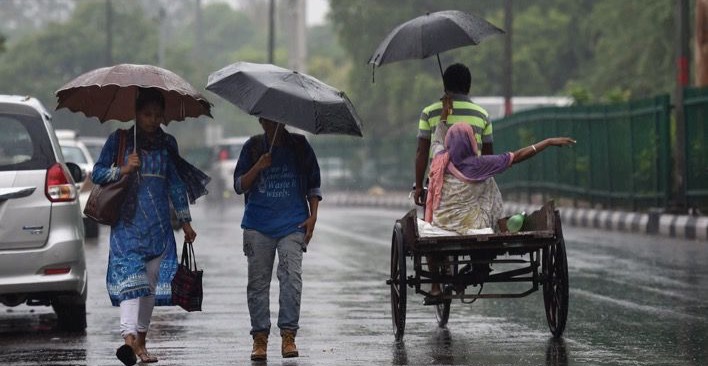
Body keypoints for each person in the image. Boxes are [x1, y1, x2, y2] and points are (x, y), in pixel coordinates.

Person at [91, 87, 209, 366]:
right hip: (127, 227)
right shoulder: (119, 140)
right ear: (136, 114)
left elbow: (176, 184)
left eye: (157, 115)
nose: (152, 119)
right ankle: (128, 340)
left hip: (159, 229)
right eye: (147, 114)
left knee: (150, 288)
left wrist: (186, 221)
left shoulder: (168, 144)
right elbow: (96, 173)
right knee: (133, 284)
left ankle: (140, 342)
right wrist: (122, 169)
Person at [423, 122, 575, 299]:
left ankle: (435, 287)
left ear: (449, 143)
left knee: (485, 182)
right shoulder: (481, 164)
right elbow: (517, 156)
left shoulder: (439, 159)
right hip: (472, 225)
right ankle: (486, 253)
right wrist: (548, 142)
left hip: (443, 223)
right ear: (471, 141)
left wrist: (443, 117)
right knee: (489, 181)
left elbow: (436, 142)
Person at [233, 118, 321, 361]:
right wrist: (258, 166)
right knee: (258, 284)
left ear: (284, 119)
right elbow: (239, 185)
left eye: (277, 119)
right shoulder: (252, 147)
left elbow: (314, 184)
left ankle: (288, 335)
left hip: (293, 225)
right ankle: (259, 339)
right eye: (267, 119)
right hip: (257, 226)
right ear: (261, 120)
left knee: (291, 278)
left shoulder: (300, 146)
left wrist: (313, 217)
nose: (272, 124)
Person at [414, 63, 493, 207]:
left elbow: (422, 152)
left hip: (438, 186)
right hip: (473, 185)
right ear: (468, 86)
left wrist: (418, 187)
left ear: (445, 86)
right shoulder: (483, 115)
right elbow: (488, 156)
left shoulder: (429, 113)